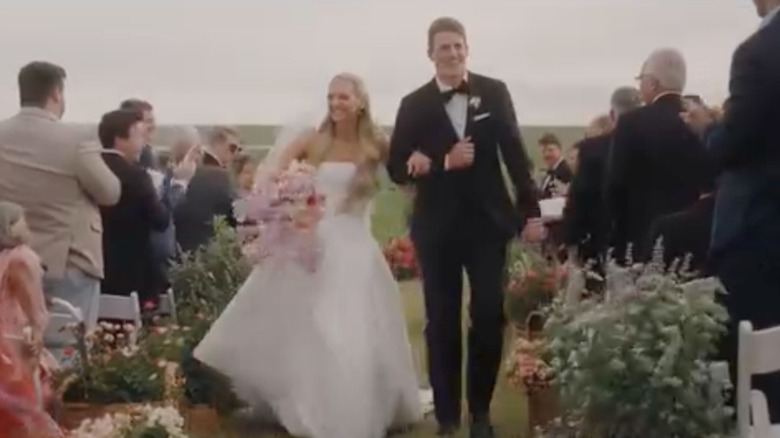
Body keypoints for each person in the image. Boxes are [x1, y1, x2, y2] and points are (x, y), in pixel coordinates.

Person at [194, 73, 422, 438]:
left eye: (343, 97)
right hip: (313, 243)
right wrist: (291, 206)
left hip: (356, 245)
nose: (335, 104)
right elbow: (269, 181)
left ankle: (357, 403)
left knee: (354, 326)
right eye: (331, 97)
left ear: (360, 101)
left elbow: (405, 175)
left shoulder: (376, 143)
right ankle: (313, 403)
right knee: (315, 325)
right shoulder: (313, 141)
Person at [387, 17, 542, 438]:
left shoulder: (494, 91)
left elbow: (515, 155)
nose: (452, 54)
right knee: (441, 320)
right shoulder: (413, 103)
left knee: (489, 315)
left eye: (458, 46)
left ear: (467, 49)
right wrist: (436, 161)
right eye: (444, 48)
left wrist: (530, 212)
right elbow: (396, 166)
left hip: (488, 225)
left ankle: (479, 412)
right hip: (436, 228)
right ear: (430, 54)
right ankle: (447, 416)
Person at [682, 0, 780, 423]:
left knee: (757, 377)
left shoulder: (758, 52)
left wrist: (707, 127)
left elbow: (732, 145)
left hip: (759, 237)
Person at [0, 61, 120, 359]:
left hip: (10, 260)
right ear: (56, 93)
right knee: (68, 352)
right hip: (69, 260)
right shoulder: (77, 140)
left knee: (15, 349)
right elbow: (109, 192)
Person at [605, 48, 710, 264]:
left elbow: (615, 186)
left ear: (653, 83)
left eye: (641, 79)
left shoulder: (631, 123)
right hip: (693, 241)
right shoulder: (701, 123)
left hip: (640, 240)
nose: (640, 86)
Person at [0, 202, 63, 438]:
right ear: (10, 227)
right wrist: (37, 334)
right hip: (13, 346)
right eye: (22, 221)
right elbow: (36, 313)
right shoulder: (22, 258)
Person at [98, 109, 170, 306]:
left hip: (97, 267)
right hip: (132, 271)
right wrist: (169, 188)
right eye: (139, 136)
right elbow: (161, 220)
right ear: (120, 139)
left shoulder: (93, 167)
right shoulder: (136, 176)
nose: (143, 143)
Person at [173, 126, 239, 253]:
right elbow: (234, 214)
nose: (235, 154)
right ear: (217, 144)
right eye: (232, 148)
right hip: (210, 248)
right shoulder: (220, 176)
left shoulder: (180, 172)